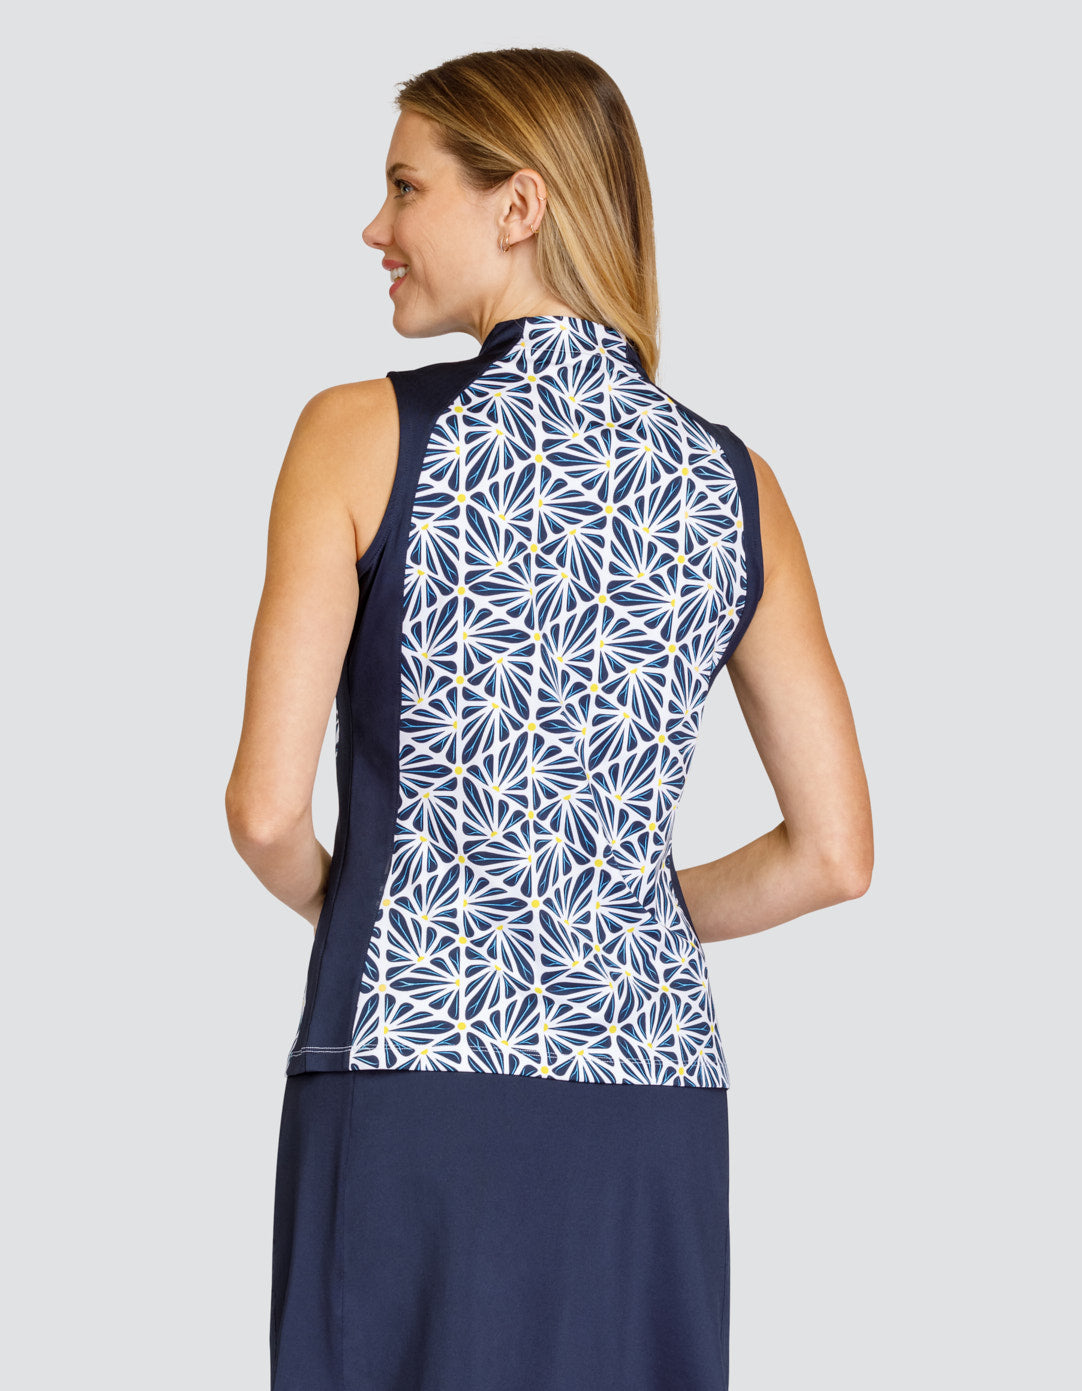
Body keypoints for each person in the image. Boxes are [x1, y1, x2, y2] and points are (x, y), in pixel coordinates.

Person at [225, 46, 872, 1391]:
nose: (376, 227)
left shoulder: (359, 435)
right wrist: (605, 906)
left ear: (517, 204)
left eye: (406, 187)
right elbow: (834, 853)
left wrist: (387, 915)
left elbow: (268, 812)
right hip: (651, 1100)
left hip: (411, 1074)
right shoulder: (734, 482)